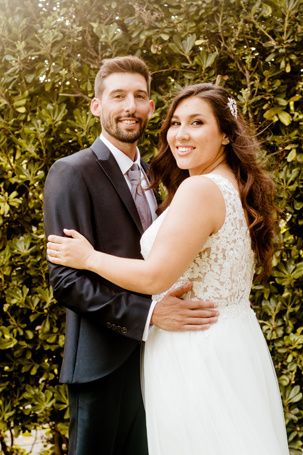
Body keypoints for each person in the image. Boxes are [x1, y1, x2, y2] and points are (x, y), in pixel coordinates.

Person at [47, 82, 290, 454]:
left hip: (196, 348)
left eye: (196, 123)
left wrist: (88, 257)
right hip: (230, 339)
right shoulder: (230, 186)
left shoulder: (199, 190)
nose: (181, 134)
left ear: (225, 134)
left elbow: (156, 275)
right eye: (176, 123)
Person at [43, 57, 218, 455]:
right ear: (96, 105)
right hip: (102, 364)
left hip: (160, 361)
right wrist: (150, 314)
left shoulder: (162, 176)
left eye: (140, 96)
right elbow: (67, 281)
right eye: (118, 95)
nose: (130, 106)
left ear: (151, 108)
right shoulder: (72, 172)